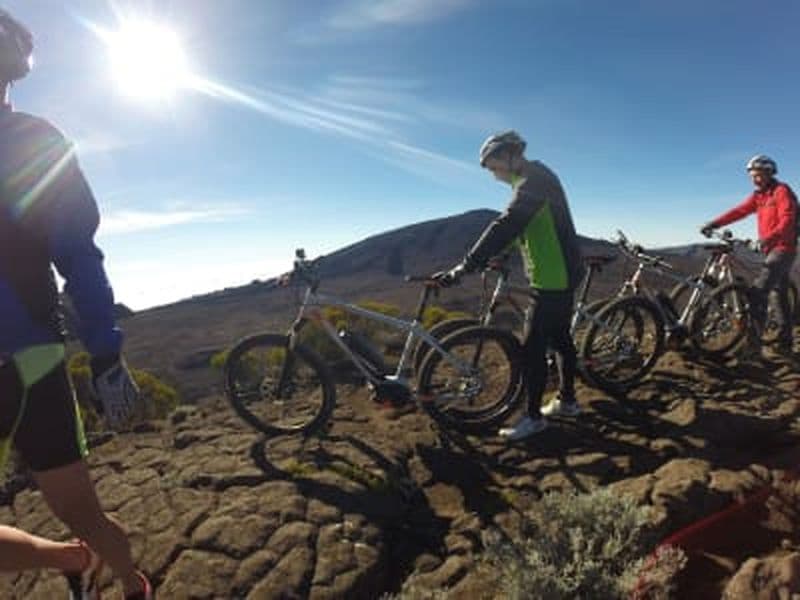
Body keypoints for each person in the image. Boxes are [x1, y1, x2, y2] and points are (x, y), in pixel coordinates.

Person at [0, 8, 152, 599]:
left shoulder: (30, 141)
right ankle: (69, 559)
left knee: (80, 510)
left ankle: (132, 585)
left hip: (27, 361)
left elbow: (77, 254)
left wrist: (106, 353)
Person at [435, 130, 584, 441]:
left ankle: (533, 418)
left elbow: (507, 223)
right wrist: (500, 255)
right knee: (560, 338)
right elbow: (525, 227)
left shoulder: (534, 181)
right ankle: (568, 401)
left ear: (508, 155)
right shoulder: (532, 178)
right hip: (560, 272)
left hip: (554, 277)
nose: (494, 175)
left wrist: (467, 265)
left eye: (494, 167)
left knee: (532, 349)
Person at [701, 155, 798, 358]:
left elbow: (787, 220)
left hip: (783, 248)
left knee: (758, 292)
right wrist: (714, 223)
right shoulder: (758, 196)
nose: (755, 179)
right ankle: (785, 341)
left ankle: (753, 348)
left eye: (758, 175)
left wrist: (766, 239)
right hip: (770, 249)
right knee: (778, 294)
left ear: (769, 173)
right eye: (752, 176)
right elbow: (739, 211)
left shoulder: (781, 191)